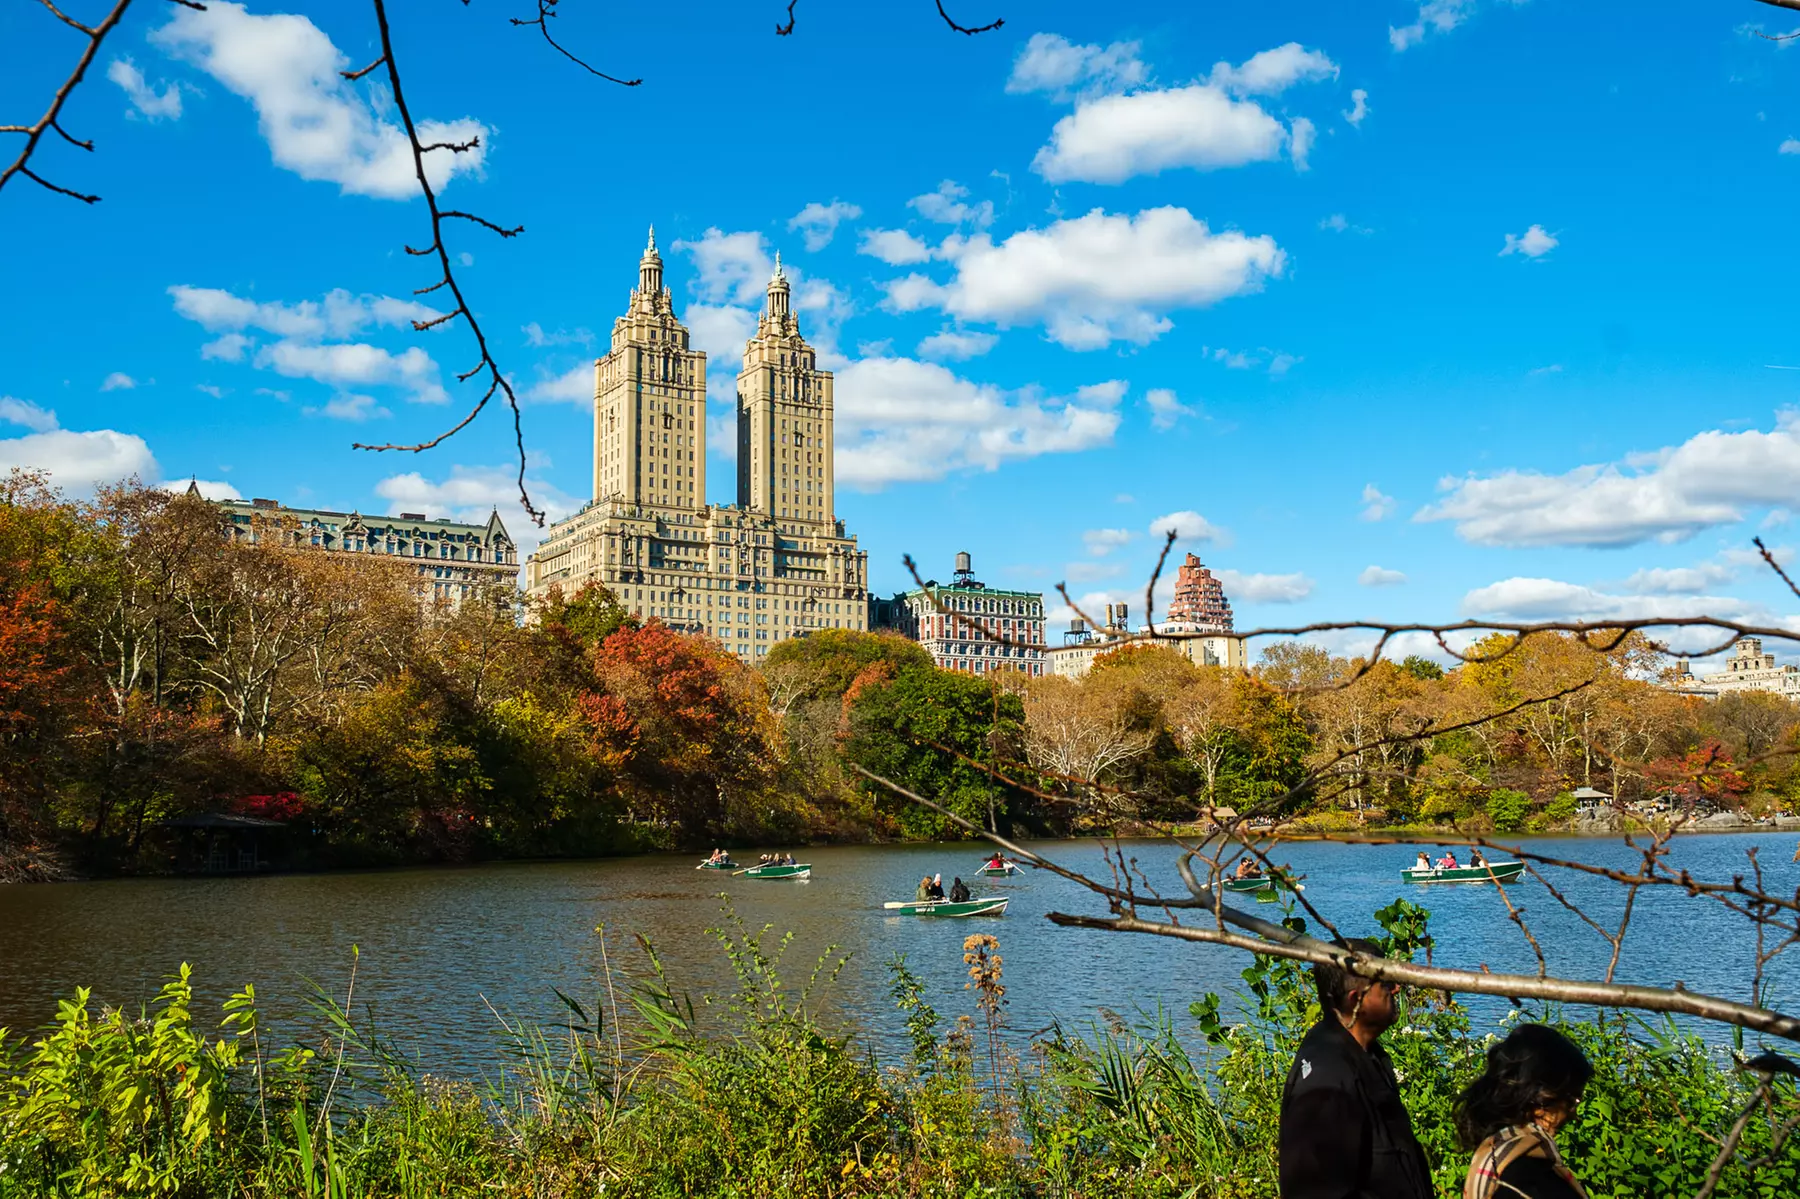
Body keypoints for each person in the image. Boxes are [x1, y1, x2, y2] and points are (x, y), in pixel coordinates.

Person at [1279, 938, 1433, 1199]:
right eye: (1384, 983)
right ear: (1355, 999)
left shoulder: (1367, 1054)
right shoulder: (1328, 1080)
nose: (1396, 988)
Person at [1455, 1024, 1592, 1199]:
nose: (1573, 1113)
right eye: (1572, 1100)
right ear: (1541, 1096)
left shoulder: (1495, 1153)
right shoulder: (1530, 1181)